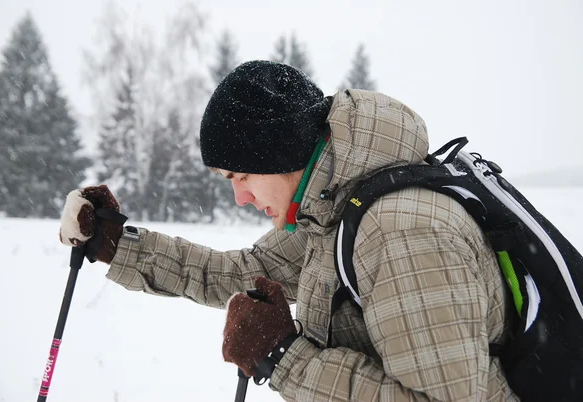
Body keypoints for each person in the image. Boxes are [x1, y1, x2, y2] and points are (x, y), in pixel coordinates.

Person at [59, 60, 518, 401]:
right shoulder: (334, 212)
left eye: (240, 177)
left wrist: (283, 356)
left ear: (277, 157)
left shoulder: (399, 232)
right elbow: (244, 272)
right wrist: (118, 245)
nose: (239, 198)